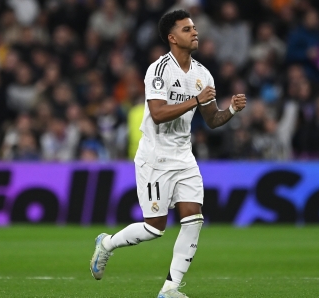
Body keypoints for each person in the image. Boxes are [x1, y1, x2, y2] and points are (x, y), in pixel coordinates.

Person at [89, 10, 246, 298]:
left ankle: (170, 290)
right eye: (187, 29)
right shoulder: (158, 70)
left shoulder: (202, 74)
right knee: (154, 229)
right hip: (156, 157)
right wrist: (195, 100)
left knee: (194, 218)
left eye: (195, 27)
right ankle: (107, 244)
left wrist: (232, 110)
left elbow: (211, 120)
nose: (195, 32)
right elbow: (158, 114)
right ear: (172, 38)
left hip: (184, 156)